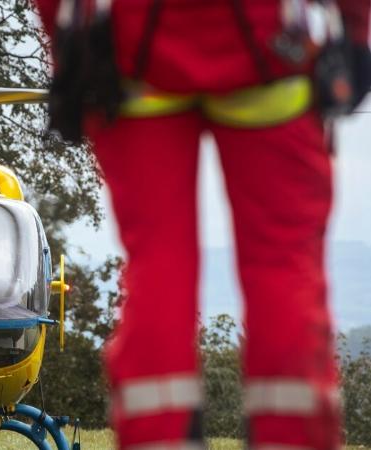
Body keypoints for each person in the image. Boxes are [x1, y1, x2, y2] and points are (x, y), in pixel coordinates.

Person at [33, 0, 370, 448]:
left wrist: (67, 49)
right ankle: (291, 434)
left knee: (158, 263)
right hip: (271, 52)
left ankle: (159, 435)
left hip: (136, 58)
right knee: (282, 265)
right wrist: (354, 31)